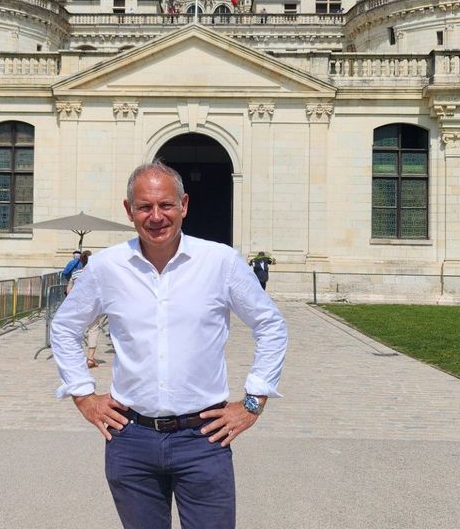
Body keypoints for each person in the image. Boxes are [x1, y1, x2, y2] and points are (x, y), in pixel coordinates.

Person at [50, 161, 288, 529]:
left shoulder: (219, 262)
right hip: (131, 438)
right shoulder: (107, 267)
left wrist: (254, 401)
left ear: (184, 205)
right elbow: (65, 328)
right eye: (145, 206)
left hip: (203, 438)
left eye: (166, 205)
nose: (156, 216)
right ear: (129, 210)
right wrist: (83, 395)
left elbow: (270, 325)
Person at [65, 250, 101, 369]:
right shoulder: (96, 274)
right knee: (93, 330)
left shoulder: (76, 274)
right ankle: (90, 358)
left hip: (78, 305)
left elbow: (69, 291)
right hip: (92, 305)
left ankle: (74, 357)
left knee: (76, 330)